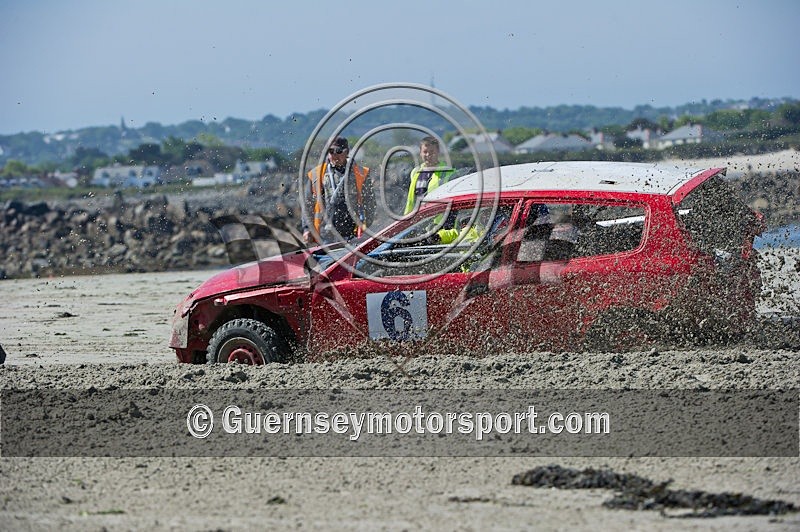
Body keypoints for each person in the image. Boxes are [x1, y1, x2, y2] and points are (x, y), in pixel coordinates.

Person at [302, 137, 375, 245]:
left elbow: (370, 205)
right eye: (330, 151)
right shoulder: (316, 174)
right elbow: (307, 204)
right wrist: (307, 228)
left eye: (338, 151)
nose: (334, 155)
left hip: (353, 235)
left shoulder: (360, 173)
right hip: (325, 236)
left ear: (347, 152)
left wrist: (366, 227)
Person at [403, 136, 455, 215]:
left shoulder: (449, 172)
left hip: (439, 221)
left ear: (438, 151)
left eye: (431, 152)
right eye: (425, 151)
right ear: (420, 153)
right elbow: (412, 199)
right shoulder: (415, 172)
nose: (428, 155)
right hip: (417, 220)